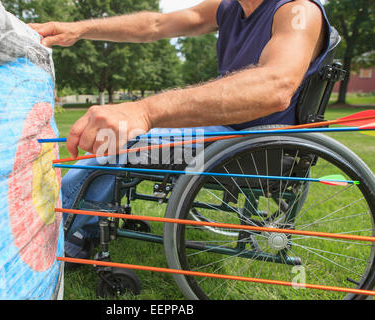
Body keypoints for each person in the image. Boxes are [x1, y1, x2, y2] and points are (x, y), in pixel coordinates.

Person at [29, 0, 331, 259]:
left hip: (246, 149)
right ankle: (90, 225)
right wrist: (79, 29)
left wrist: (144, 112)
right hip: (224, 135)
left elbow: (275, 87)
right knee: (122, 139)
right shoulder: (231, 7)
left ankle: (55, 237)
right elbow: (156, 24)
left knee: (114, 142)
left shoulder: (298, 11)